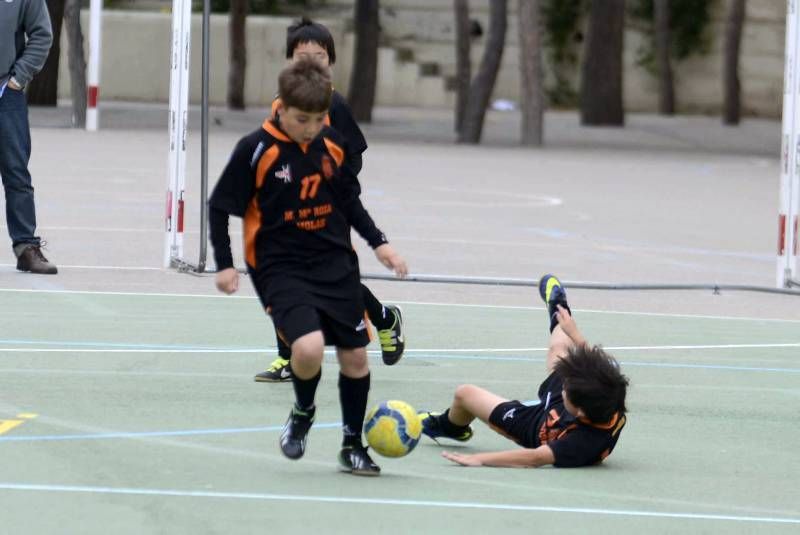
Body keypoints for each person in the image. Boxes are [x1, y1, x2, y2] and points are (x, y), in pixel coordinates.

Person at [208, 59, 407, 475]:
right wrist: (225, 264)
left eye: (318, 119)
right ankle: (303, 411)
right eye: (303, 119)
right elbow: (220, 206)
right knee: (309, 348)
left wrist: (380, 243)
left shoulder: (330, 144)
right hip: (279, 266)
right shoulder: (256, 150)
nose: (311, 127)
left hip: (334, 264)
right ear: (280, 108)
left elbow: (349, 202)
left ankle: (352, 445)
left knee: (356, 358)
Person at [255, 17, 404, 383]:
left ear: (331, 62)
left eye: (319, 56)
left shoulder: (334, 103)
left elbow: (354, 154)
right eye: (302, 56)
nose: (311, 63)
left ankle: (384, 318)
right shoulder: (281, 102)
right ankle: (286, 357)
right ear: (289, 60)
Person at [418, 274, 629, 468]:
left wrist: (479, 459)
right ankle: (559, 309)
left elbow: (534, 458)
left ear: (581, 411)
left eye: (567, 389)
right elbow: (596, 364)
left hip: (537, 427)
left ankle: (450, 427)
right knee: (559, 351)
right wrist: (573, 331)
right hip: (563, 409)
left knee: (464, 394)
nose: (563, 385)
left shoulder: (580, 442)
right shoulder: (607, 391)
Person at [0, 0, 57, 274]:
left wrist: (17, 79)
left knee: (16, 172)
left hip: (5, 93)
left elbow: (42, 34)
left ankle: (25, 247)